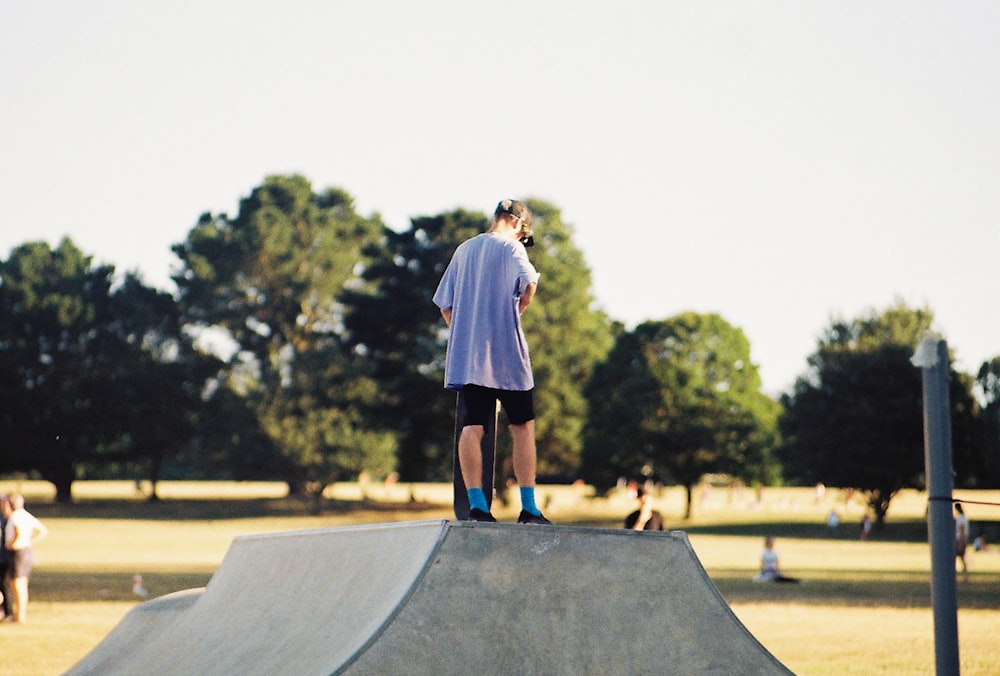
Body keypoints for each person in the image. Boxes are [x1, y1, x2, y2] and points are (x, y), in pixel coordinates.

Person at [433, 199, 550, 525]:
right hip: (507, 357)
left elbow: (445, 305)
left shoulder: (464, 250)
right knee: (523, 426)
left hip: (470, 361)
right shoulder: (513, 249)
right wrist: (515, 312)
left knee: (472, 428)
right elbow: (529, 285)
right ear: (517, 224)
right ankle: (528, 508)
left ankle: (477, 508)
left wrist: (466, 335)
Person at [3, 493, 49, 623]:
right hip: (26, 551)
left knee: (16, 584)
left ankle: (19, 615)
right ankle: (21, 613)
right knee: (22, 583)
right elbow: (42, 530)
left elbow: (17, 530)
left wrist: (14, 542)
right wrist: (29, 541)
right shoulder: (26, 515)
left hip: (17, 552)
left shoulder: (15, 516)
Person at [0, 495, 10, 620]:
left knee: (4, 584)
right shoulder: (2, 518)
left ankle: (7, 611)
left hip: (5, 556)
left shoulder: (9, 519)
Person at [955, 502, 969, 582]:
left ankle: (963, 577)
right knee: (963, 559)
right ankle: (965, 577)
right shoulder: (964, 517)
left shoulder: (960, 518)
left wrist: (960, 543)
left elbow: (962, 531)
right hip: (963, 539)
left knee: (959, 559)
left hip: (959, 540)